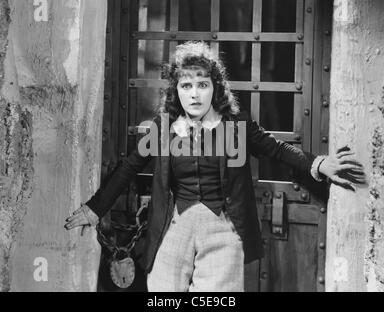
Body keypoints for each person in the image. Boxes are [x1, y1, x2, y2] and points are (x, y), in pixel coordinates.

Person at [64, 41, 365, 292]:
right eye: (186, 85)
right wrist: (94, 210)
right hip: (174, 227)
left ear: (215, 88)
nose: (194, 94)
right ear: (176, 90)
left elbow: (276, 149)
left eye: (202, 84)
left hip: (223, 227)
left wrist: (319, 163)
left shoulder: (236, 125)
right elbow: (128, 167)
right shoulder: (162, 127)